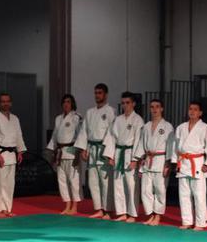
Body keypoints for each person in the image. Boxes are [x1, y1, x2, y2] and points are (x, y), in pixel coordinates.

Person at [171, 101, 207, 231]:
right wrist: (175, 161)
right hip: (183, 162)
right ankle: (187, 221)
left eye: (195, 109)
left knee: (199, 194)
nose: (192, 111)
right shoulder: (181, 127)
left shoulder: (205, 128)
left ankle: (200, 223)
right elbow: (175, 145)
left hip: (197, 162)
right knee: (184, 194)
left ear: (200, 113)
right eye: (190, 109)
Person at [75, 83, 116, 219]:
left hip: (104, 149)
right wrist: (83, 149)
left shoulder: (111, 111)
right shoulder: (89, 112)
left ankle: (108, 210)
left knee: (105, 181)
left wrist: (109, 152)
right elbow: (84, 131)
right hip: (92, 149)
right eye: (96, 93)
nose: (97, 95)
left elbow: (112, 133)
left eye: (100, 93)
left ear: (105, 95)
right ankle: (99, 208)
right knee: (93, 182)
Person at [103, 92, 144, 222]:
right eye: (123, 103)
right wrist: (111, 155)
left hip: (130, 153)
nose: (125, 105)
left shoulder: (138, 120)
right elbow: (111, 137)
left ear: (133, 104)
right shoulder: (118, 119)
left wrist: (135, 159)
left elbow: (139, 140)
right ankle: (122, 212)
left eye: (127, 103)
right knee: (118, 184)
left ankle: (132, 214)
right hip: (119, 152)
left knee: (131, 186)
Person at [133, 98, 174, 226]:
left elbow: (170, 145)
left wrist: (168, 164)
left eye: (157, 106)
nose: (154, 109)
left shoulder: (167, 126)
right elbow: (141, 144)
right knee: (145, 190)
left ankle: (158, 216)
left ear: (162, 109)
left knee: (160, 189)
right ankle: (150, 214)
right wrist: (139, 161)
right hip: (147, 160)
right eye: (152, 107)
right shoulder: (146, 126)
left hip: (161, 160)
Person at [0, 93, 27, 218]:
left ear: (10, 103)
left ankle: (7, 209)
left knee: (10, 184)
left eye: (7, 101)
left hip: (12, 154)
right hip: (1, 153)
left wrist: (20, 151)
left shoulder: (15, 118)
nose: (5, 103)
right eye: (3, 101)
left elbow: (19, 135)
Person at [47, 94, 82, 215]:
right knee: (61, 179)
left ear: (72, 104)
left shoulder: (76, 117)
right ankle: (67, 205)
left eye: (68, 102)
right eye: (64, 102)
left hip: (72, 151)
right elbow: (54, 135)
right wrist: (51, 150)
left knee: (73, 179)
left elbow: (80, 135)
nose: (66, 104)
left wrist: (78, 152)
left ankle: (75, 206)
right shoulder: (58, 118)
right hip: (60, 152)